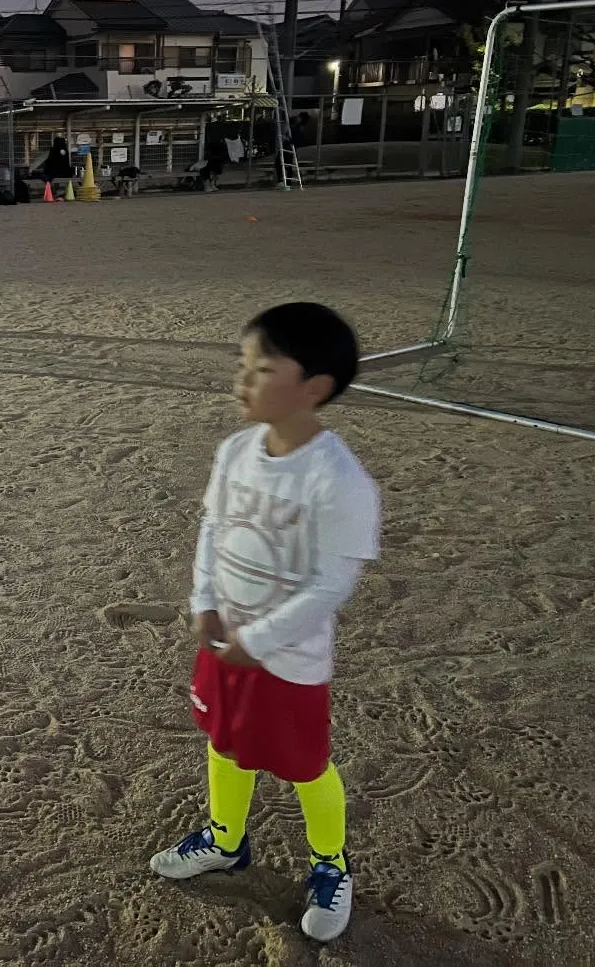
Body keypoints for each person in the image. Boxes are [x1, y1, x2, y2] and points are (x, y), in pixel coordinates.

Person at [149, 302, 380, 944]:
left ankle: (331, 865)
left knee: (306, 765)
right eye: (243, 365)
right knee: (224, 741)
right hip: (228, 642)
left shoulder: (340, 481)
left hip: (288, 657)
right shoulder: (234, 452)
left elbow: (332, 583)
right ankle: (226, 840)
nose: (242, 381)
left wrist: (261, 640)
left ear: (314, 389)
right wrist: (204, 600)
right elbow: (214, 528)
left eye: (262, 369)